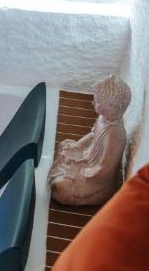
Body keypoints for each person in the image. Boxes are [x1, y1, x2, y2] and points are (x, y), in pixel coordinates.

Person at [49, 74, 131, 206]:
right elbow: (93, 135)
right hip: (88, 159)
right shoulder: (103, 118)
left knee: (60, 188)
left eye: (97, 101)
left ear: (114, 107)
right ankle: (66, 172)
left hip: (95, 178)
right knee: (65, 144)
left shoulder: (115, 136)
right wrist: (78, 146)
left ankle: (98, 195)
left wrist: (78, 167)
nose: (92, 102)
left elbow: (103, 171)